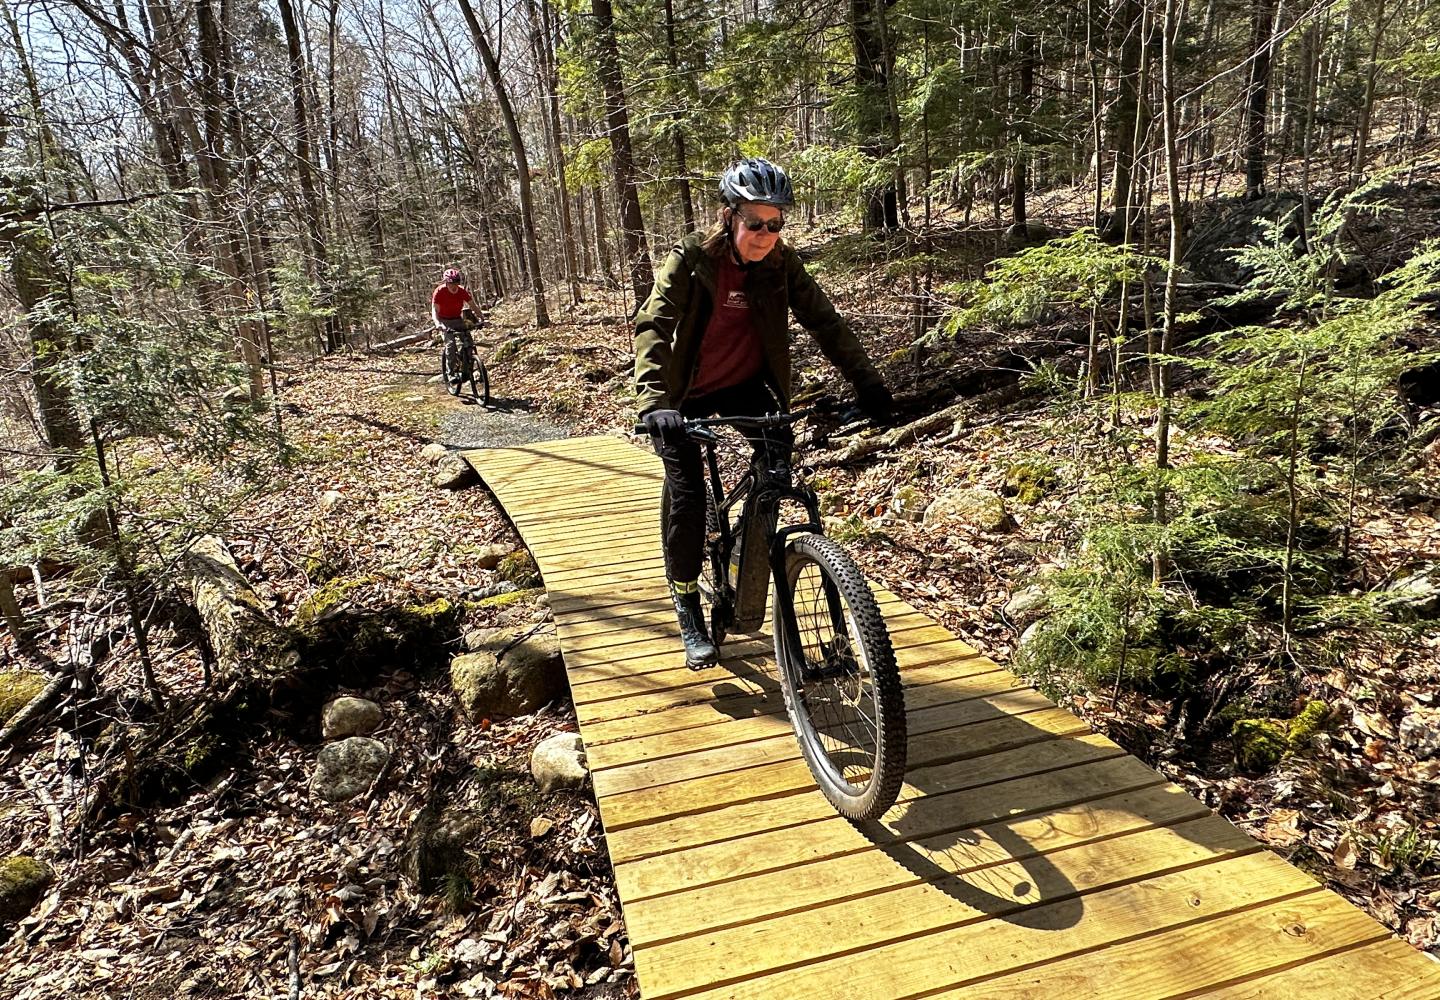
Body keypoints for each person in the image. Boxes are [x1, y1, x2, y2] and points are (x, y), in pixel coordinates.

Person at [633, 157, 894, 668]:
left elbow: (826, 323)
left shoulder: (781, 265)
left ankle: (751, 574)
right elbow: (653, 325)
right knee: (687, 499)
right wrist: (655, 401)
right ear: (728, 216)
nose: (765, 234)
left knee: (774, 482)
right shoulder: (692, 259)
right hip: (684, 396)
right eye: (755, 223)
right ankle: (687, 604)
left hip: (752, 389)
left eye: (775, 223)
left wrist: (870, 386)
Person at [432, 268, 482, 367]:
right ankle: (451, 373)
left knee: (469, 343)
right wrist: (438, 324)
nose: (454, 286)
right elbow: (434, 310)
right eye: (451, 283)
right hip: (444, 321)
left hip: (457, 319)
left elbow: (473, 305)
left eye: (456, 283)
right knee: (450, 346)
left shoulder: (462, 291)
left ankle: (469, 367)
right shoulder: (439, 292)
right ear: (446, 283)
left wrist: (482, 318)